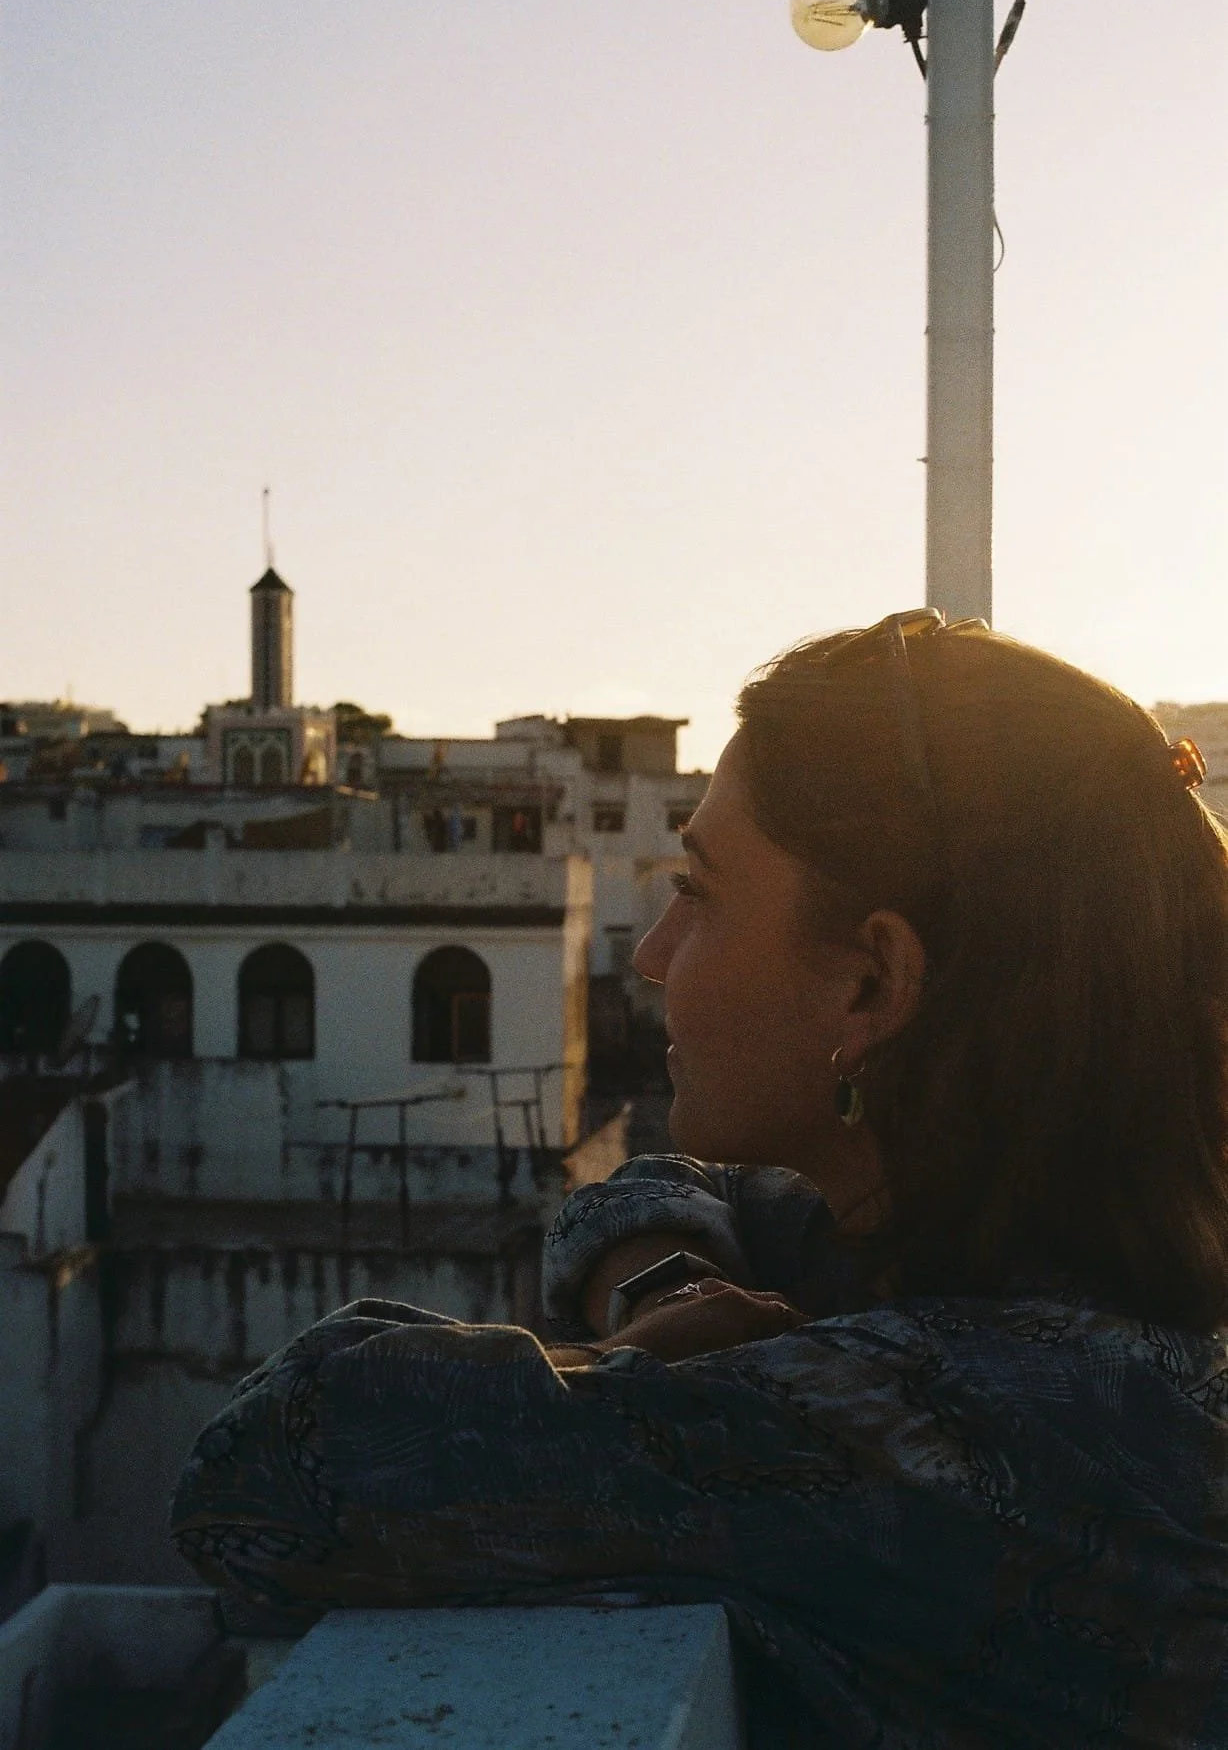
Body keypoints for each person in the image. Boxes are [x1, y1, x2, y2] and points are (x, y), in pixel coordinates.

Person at [172, 612, 1228, 1747]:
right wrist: (665, 1281)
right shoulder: (1061, 1276)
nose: (652, 950)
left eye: (702, 891)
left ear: (873, 985)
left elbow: (268, 1470)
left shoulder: (931, 1433)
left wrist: (649, 1353)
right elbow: (648, 1189)